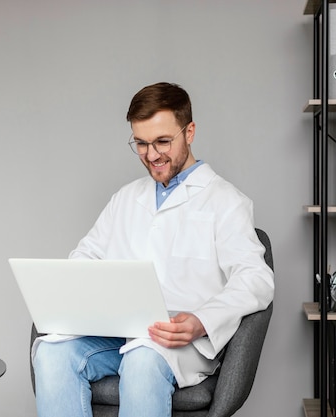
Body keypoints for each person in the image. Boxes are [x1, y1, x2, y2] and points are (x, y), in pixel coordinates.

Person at [32, 82, 275, 417]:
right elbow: (85, 258)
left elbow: (256, 280)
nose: (151, 155)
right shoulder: (126, 198)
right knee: (50, 353)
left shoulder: (226, 202)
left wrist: (201, 321)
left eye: (163, 141)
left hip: (180, 342)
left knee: (143, 358)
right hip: (118, 334)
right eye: (141, 144)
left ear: (189, 132)